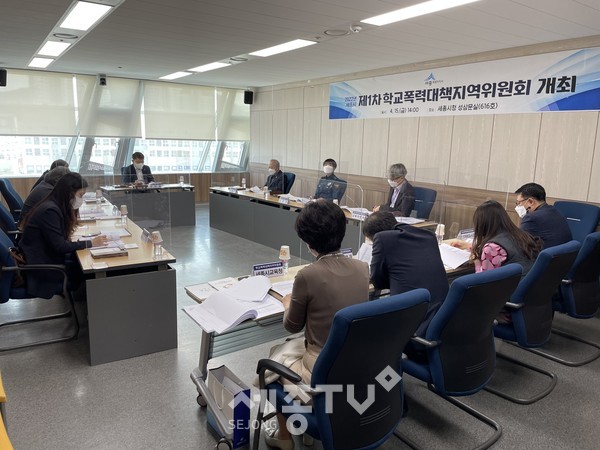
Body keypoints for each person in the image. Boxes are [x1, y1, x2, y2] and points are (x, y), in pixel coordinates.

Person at [260, 200, 369, 449]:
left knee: (271, 366)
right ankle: (306, 432)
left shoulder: (307, 275)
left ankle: (284, 437)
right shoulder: (363, 268)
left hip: (320, 366)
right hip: (354, 362)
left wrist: (287, 303)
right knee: (288, 350)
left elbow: (292, 326)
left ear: (308, 241)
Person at [19, 173, 108, 299]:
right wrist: (90, 243)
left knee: (84, 261)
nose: (81, 200)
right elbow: (60, 246)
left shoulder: (53, 205)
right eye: (80, 195)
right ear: (69, 193)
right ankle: (95, 302)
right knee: (90, 268)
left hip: (47, 257)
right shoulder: (50, 210)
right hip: (43, 269)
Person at [370, 219, 448, 341]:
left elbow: (377, 281)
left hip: (414, 333)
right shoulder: (428, 236)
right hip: (443, 326)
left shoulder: (382, 238)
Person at [514, 183, 572, 249]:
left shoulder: (531, 218)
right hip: (561, 254)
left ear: (531, 201)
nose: (518, 206)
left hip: (542, 254)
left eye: (519, 202)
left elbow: (519, 245)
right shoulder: (555, 211)